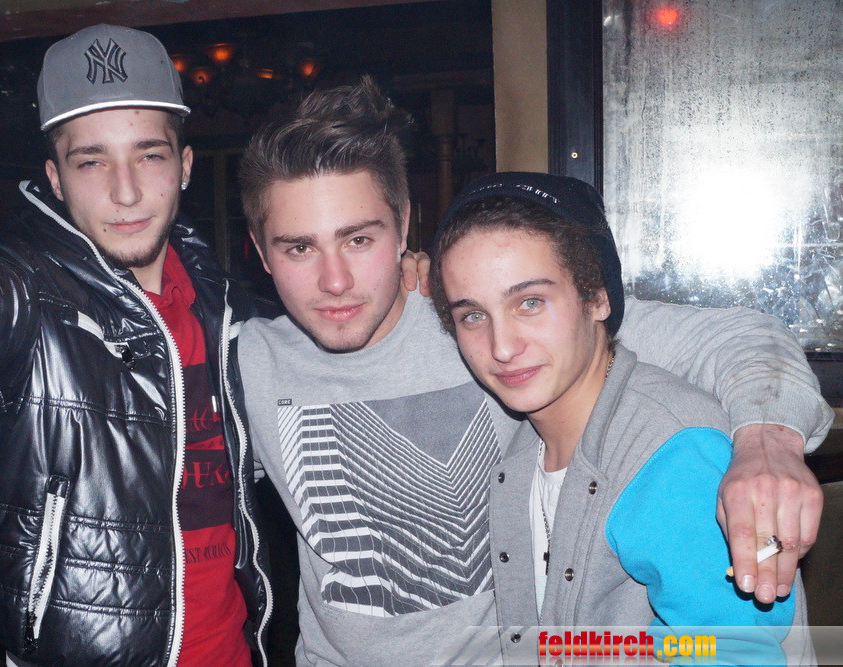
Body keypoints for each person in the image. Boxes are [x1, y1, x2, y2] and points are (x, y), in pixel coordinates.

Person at [234, 77, 829, 664]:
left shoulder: (490, 316)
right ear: (260, 252)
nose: (335, 281)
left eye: (359, 240)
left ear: (404, 224)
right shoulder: (251, 363)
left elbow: (742, 337)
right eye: (299, 248)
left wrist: (767, 445)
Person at [0, 24, 277, 666]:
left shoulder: (229, 311)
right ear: (55, 178)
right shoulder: (27, 293)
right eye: (91, 161)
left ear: (185, 166)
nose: (125, 191)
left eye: (149, 155)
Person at [429, 171, 811, 664]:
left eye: (530, 302)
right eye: (473, 316)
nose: (501, 347)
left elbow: (739, 654)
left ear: (597, 298)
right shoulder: (526, 445)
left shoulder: (673, 457)